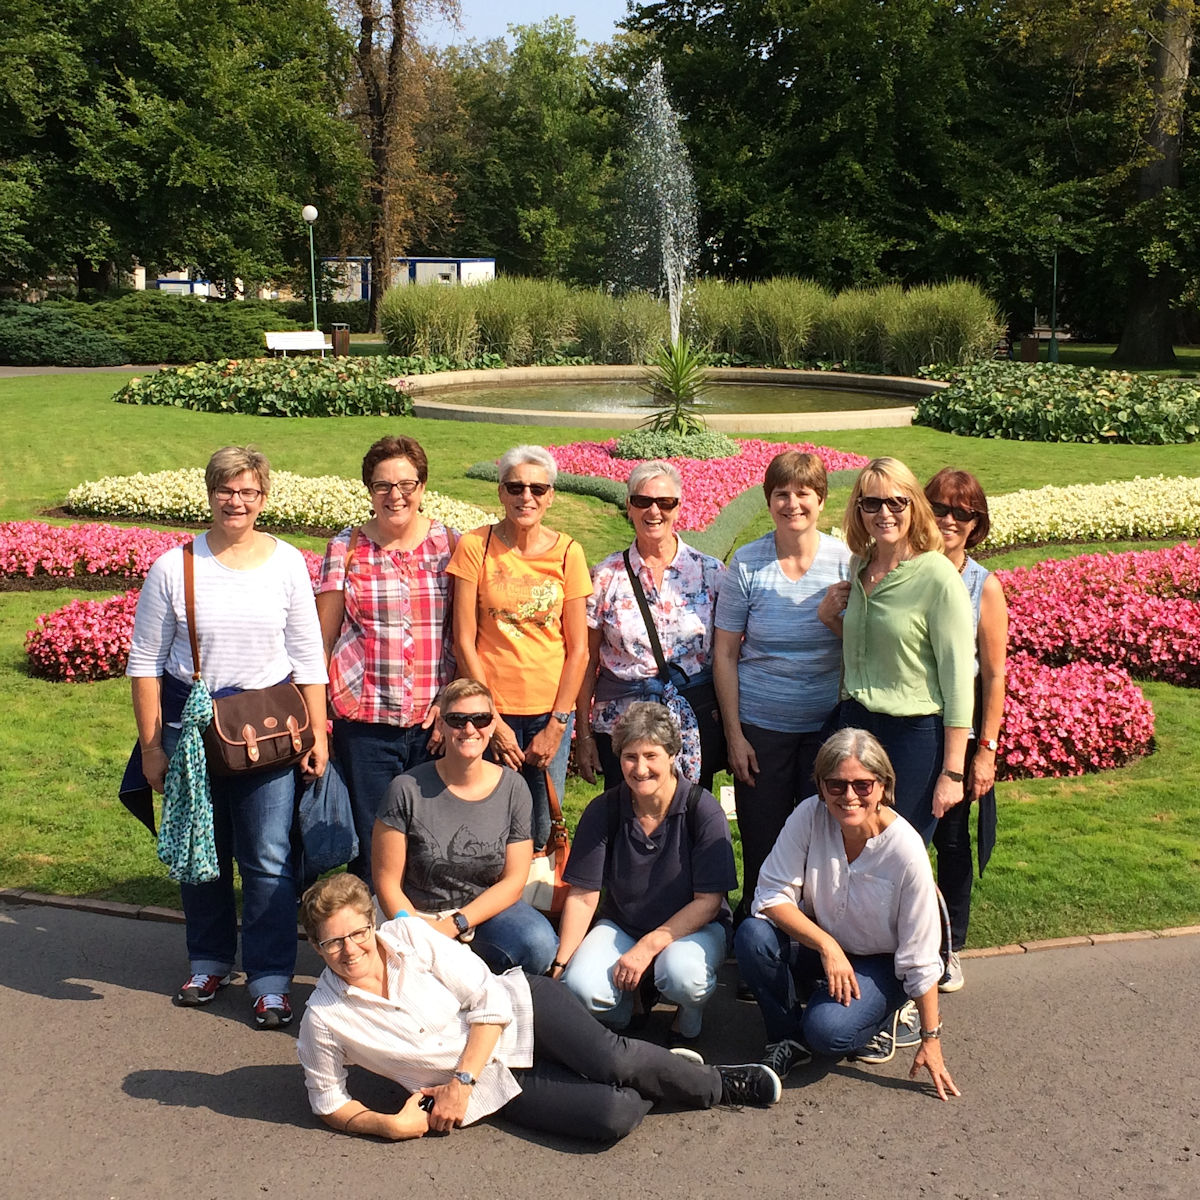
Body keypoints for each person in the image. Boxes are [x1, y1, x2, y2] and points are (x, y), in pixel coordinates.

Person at [296, 873, 782, 1143]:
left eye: (358, 933)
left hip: (521, 1009)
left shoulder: (407, 935)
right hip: (489, 1081)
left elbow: (487, 997)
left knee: (613, 1059)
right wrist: (390, 1125)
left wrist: (460, 1085)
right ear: (316, 948)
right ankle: (662, 1073)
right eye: (332, 942)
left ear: (372, 925)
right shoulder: (323, 1019)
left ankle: (718, 1085)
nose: (350, 949)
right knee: (611, 1115)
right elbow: (328, 1101)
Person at [128, 445, 328, 1029]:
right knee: (202, 849)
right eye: (225, 490)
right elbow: (143, 661)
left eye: (247, 492)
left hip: (266, 730)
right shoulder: (175, 567)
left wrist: (317, 732)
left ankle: (269, 978)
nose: (235, 501)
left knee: (267, 858)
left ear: (264, 498)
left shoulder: (287, 562)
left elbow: (307, 653)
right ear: (210, 493)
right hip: (191, 732)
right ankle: (210, 959)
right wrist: (150, 746)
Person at [734, 728, 960, 1100]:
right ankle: (787, 1037)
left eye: (862, 785)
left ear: (883, 786)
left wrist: (931, 1040)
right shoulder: (809, 815)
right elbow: (770, 895)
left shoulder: (906, 850)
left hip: (880, 961)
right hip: (825, 947)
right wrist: (826, 945)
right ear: (821, 787)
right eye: (836, 785)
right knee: (752, 935)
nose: (849, 796)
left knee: (828, 1031)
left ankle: (887, 1014)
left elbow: (920, 955)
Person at [712, 450, 850, 917]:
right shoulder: (748, 564)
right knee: (762, 839)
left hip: (825, 729)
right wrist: (735, 736)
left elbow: (862, 646)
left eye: (803, 493)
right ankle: (758, 941)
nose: (792, 504)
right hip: (761, 729)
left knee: (822, 840)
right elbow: (726, 653)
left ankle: (813, 939)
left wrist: (832, 621)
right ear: (768, 501)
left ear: (821, 500)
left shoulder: (845, 562)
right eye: (781, 494)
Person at [551, 702, 737, 1047]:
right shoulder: (604, 808)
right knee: (580, 986)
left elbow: (709, 903)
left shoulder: (702, 809)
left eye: (651, 755)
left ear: (672, 755)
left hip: (692, 928)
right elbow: (583, 894)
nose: (640, 769)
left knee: (683, 976)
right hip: (623, 923)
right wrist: (561, 964)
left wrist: (647, 948)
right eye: (629, 756)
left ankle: (688, 1011)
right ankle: (628, 1007)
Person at [317, 435, 456, 890]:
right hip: (366, 720)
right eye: (382, 486)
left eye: (406, 483)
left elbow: (463, 632)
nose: (395, 496)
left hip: (430, 723)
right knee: (374, 840)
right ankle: (368, 945)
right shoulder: (348, 547)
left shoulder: (449, 545)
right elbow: (324, 634)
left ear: (423, 485)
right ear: (368, 490)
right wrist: (317, 721)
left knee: (429, 841)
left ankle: (423, 945)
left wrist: (452, 700)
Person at [820, 456, 975, 845]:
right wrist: (831, 620)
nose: (883, 513)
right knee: (851, 845)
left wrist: (953, 773)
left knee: (900, 853)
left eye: (896, 503)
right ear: (859, 510)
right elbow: (876, 648)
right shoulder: (860, 567)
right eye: (871, 503)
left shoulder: (936, 575)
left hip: (913, 734)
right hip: (856, 724)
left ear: (913, 506)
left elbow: (958, 678)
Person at [448, 445, 591, 849]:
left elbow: (578, 648)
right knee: (485, 823)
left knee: (543, 827)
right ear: (500, 493)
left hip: (548, 714)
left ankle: (539, 907)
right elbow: (464, 638)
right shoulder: (476, 546)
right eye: (515, 487)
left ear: (551, 496)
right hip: (489, 710)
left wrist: (558, 726)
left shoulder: (568, 553)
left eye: (537, 489)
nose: (525, 497)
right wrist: (490, 717)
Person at [371, 678, 558, 976]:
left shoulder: (513, 788)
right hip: (416, 914)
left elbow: (513, 880)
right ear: (442, 726)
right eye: (457, 720)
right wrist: (417, 931)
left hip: (481, 914)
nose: (469, 729)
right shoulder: (405, 789)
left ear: (493, 725)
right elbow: (387, 883)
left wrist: (456, 923)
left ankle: (489, 988)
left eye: (480, 719)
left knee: (538, 944)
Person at [577, 460, 726, 791]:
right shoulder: (606, 576)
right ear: (629, 507)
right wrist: (584, 734)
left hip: (691, 721)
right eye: (643, 501)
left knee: (689, 820)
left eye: (665, 502)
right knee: (627, 822)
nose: (653, 511)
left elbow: (728, 655)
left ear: (678, 507)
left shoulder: (711, 573)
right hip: (623, 724)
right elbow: (586, 659)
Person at [924, 468, 1009, 993]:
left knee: (952, 840)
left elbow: (996, 674)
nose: (950, 520)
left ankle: (950, 947)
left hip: (960, 728)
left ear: (976, 523)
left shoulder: (982, 584)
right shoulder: (904, 569)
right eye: (940, 508)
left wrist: (987, 751)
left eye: (963, 513)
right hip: (905, 723)